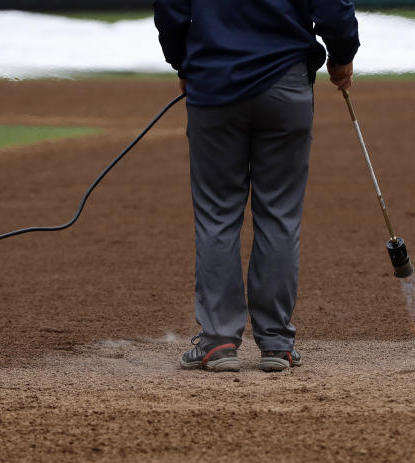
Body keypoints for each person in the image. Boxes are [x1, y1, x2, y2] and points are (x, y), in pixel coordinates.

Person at [153, 0, 359, 372]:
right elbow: (333, 8)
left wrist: (183, 62)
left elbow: (170, 9)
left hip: (214, 84)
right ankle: (276, 343)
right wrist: (343, 55)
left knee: (216, 214)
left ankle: (218, 342)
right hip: (285, 84)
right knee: (279, 215)